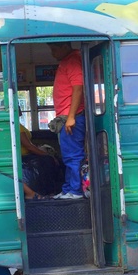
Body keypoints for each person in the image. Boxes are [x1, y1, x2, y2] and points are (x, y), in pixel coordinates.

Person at [48, 42, 86, 199]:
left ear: (65, 46)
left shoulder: (72, 61)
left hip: (71, 117)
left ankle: (75, 191)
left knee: (73, 155)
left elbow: (78, 87)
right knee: (68, 155)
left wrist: (70, 117)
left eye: (55, 48)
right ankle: (68, 189)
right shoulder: (68, 61)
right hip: (67, 117)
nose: (53, 53)